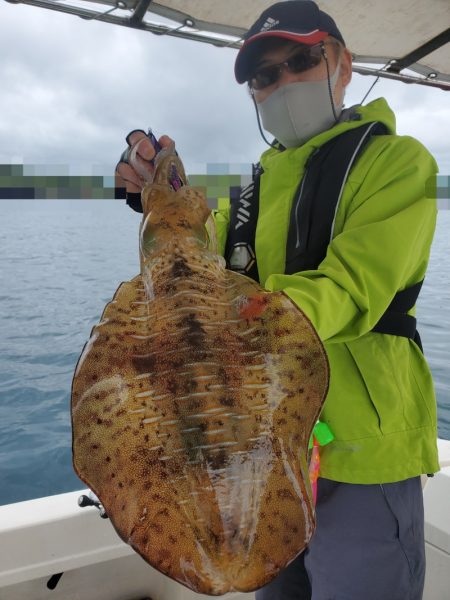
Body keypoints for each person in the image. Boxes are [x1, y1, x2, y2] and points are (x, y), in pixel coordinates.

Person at [115, 2, 439, 598]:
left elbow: (351, 287)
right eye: (266, 76)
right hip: (258, 453)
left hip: (361, 454)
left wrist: (226, 319)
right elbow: (192, 252)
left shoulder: (398, 163)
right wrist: (151, 192)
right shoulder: (245, 195)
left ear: (342, 65)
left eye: (302, 60)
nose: (284, 81)